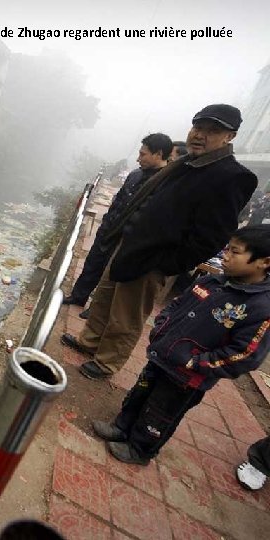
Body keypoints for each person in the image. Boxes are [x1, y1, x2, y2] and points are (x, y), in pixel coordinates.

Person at [61, 104, 258, 379]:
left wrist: (166, 265)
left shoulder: (231, 176)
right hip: (129, 245)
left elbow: (213, 236)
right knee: (105, 299)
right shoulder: (185, 163)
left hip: (153, 259)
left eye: (212, 131)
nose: (200, 135)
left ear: (230, 136)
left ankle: (107, 362)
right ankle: (89, 341)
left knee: (126, 315)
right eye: (198, 127)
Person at [92, 225, 270, 465]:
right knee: (140, 394)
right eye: (226, 249)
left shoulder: (260, 307)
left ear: (263, 262)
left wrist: (195, 362)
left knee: (160, 413)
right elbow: (177, 305)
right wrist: (161, 326)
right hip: (162, 357)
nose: (225, 255)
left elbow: (244, 354)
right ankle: (122, 427)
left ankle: (140, 449)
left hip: (188, 377)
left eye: (235, 252)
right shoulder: (211, 281)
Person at [63, 133, 173, 314]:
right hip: (110, 228)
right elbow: (118, 201)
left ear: (158, 154)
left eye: (143, 154)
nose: (138, 159)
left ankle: (96, 309)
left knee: (110, 273)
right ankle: (78, 296)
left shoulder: (163, 183)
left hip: (127, 238)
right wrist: (106, 224)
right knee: (93, 263)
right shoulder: (136, 174)